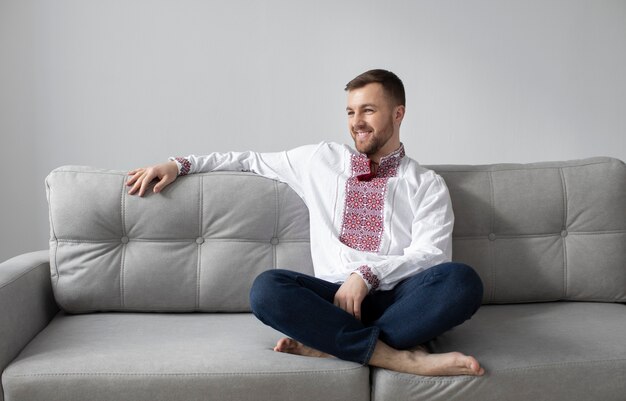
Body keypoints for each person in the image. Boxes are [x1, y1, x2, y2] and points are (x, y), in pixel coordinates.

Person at [127, 69, 485, 376]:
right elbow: (248, 160)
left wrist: (367, 275)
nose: (356, 122)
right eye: (350, 111)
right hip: (331, 300)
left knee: (461, 282)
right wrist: (179, 165)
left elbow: (432, 255)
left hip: (400, 300)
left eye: (368, 110)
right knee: (266, 289)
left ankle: (333, 344)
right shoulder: (320, 160)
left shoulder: (426, 184)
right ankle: (400, 359)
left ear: (398, 114)